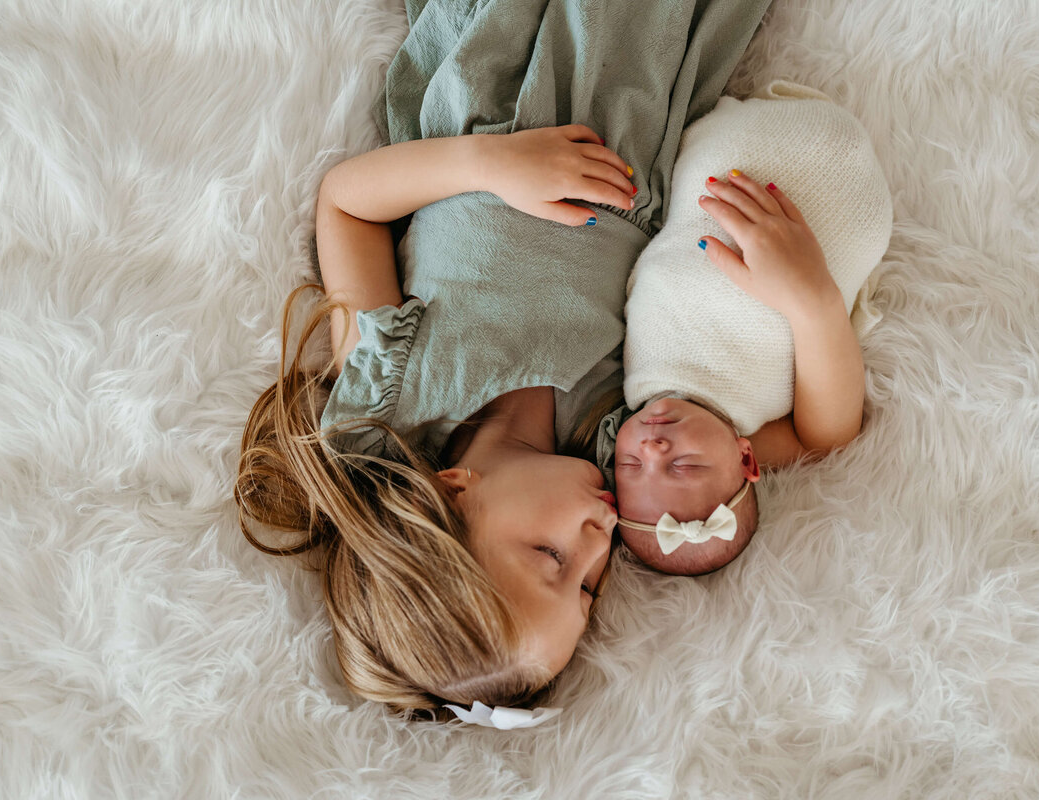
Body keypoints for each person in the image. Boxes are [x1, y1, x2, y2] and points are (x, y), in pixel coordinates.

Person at [234, 0, 773, 720]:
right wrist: (812, 303)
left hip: (502, 91)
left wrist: (491, 165)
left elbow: (348, 205)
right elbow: (812, 438)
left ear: (455, 493)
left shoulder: (392, 401)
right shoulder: (619, 447)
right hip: (638, 107)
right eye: (588, 589)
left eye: (552, 559)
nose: (599, 543)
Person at [607, 81, 894, 576]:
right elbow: (828, 439)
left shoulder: (624, 395)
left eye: (629, 467)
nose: (651, 451)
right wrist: (810, 300)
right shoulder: (747, 426)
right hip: (815, 220)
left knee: (711, 163)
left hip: (724, 177)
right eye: (684, 466)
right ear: (747, 461)